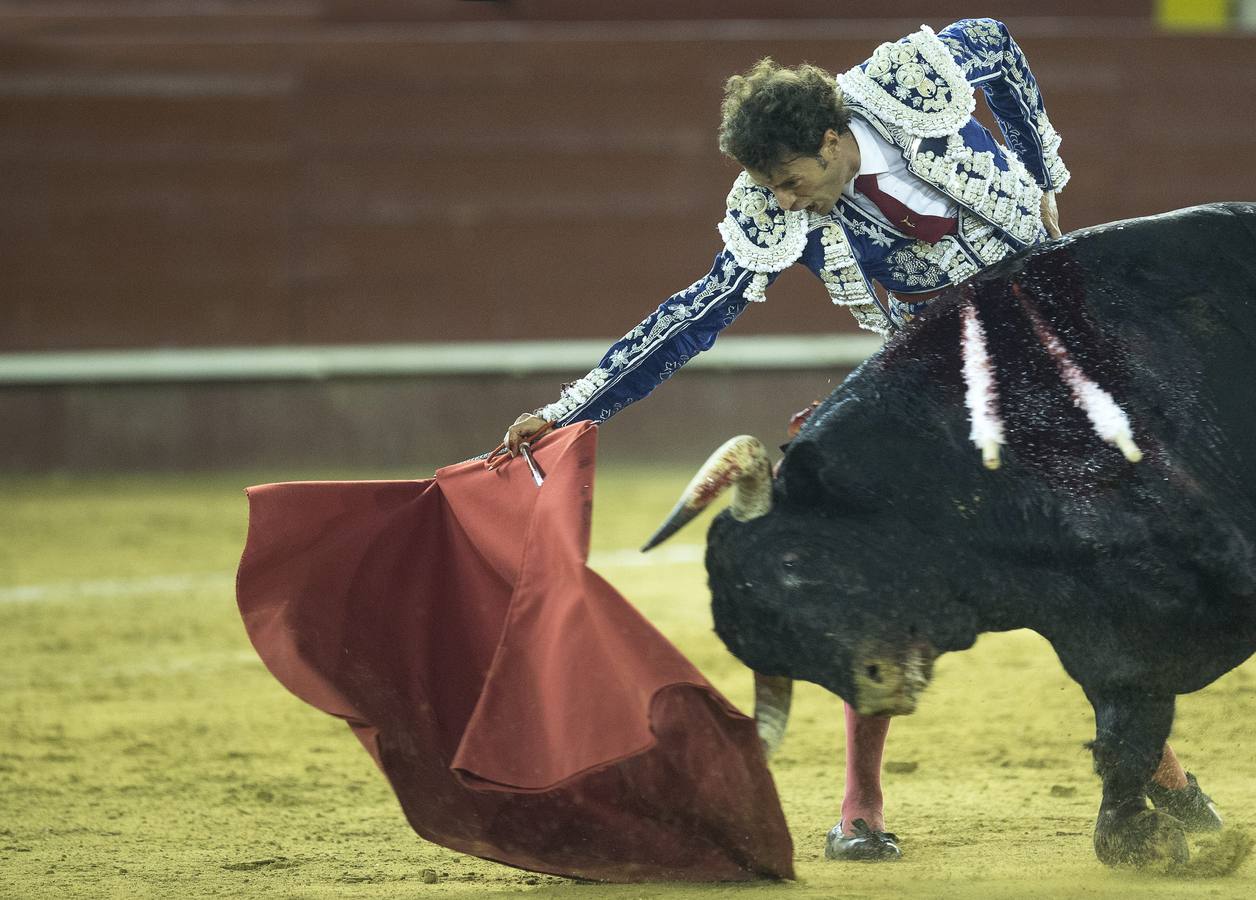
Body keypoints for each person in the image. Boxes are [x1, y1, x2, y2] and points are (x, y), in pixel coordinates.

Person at [498, 18, 1222, 860]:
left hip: (1052, 362)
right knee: (869, 565)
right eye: (770, 186)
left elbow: (994, 41)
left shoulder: (910, 82)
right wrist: (576, 404)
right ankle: (861, 808)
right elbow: (696, 313)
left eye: (792, 179)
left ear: (837, 140)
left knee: (1096, 568)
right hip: (931, 384)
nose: (782, 200)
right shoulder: (776, 209)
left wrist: (1045, 172)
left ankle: (1156, 777)